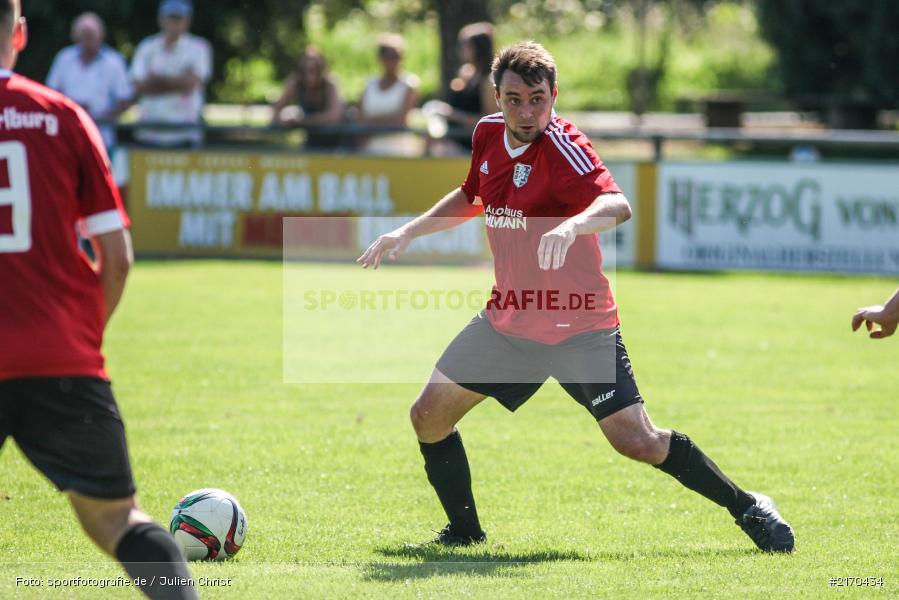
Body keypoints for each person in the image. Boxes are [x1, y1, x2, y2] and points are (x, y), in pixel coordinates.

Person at [358, 41, 795, 553]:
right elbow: (473, 192)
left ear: (554, 96)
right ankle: (465, 533)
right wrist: (408, 231)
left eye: (537, 99)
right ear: (495, 97)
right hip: (510, 323)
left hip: (579, 326)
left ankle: (749, 507)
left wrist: (571, 226)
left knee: (637, 441)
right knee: (428, 417)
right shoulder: (487, 135)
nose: (526, 111)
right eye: (514, 99)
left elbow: (618, 203)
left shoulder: (566, 146)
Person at [0, 2, 198, 598]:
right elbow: (116, 258)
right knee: (118, 520)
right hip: (60, 356)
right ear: (20, 33)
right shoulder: (63, 116)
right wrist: (83, 338)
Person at [45, 12, 133, 151]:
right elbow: (50, 94)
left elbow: (125, 99)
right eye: (84, 35)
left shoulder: (114, 62)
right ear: (75, 36)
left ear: (101, 35)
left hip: (102, 138)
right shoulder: (63, 58)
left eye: (91, 35)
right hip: (67, 136)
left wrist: (102, 118)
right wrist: (72, 108)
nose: (87, 40)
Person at [130, 0, 211, 147]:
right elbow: (138, 85)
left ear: (187, 21)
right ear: (161, 19)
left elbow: (192, 83)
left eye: (179, 18)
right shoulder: (147, 47)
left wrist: (156, 81)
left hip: (185, 133)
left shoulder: (199, 48)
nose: (174, 23)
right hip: (150, 132)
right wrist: (179, 81)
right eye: (170, 18)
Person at [424, 21, 496, 153]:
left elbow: (490, 120)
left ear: (478, 49)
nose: (461, 50)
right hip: (453, 143)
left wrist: (452, 115)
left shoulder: (489, 81)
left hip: (472, 150)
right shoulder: (466, 73)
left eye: (465, 45)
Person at [271, 46, 345, 150]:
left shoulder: (330, 84)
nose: (310, 76)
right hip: (312, 142)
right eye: (306, 70)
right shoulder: (295, 83)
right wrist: (285, 121)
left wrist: (302, 121)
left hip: (338, 143)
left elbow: (335, 116)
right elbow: (276, 111)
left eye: (315, 70)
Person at [356, 33, 420, 155]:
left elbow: (401, 120)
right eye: (389, 56)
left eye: (398, 56)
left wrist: (371, 122)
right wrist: (386, 119)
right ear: (380, 58)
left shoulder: (409, 84)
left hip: (400, 150)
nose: (394, 61)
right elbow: (359, 118)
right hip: (369, 149)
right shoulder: (369, 84)